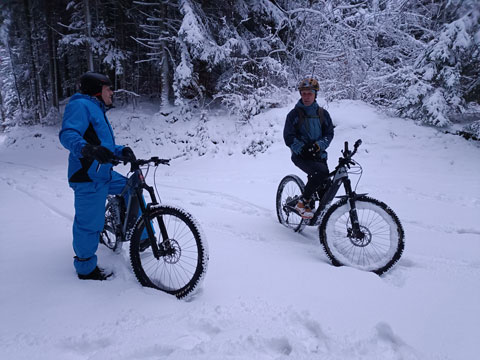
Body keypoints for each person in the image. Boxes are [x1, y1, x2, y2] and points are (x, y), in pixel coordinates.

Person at [59, 72, 137, 280]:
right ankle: (85, 268)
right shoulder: (80, 106)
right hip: (87, 175)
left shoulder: (97, 109)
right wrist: (88, 150)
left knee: (132, 186)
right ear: (97, 89)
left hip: (103, 173)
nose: (112, 92)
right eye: (108, 88)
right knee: (89, 223)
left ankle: (141, 238)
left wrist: (121, 150)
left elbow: (103, 145)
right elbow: (68, 134)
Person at [283, 77, 335, 219]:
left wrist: (318, 145)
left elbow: (329, 134)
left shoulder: (323, 114)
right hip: (301, 156)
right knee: (320, 173)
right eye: (303, 93)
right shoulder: (294, 114)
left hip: (319, 155)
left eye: (309, 93)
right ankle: (302, 203)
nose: (306, 96)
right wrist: (303, 148)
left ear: (315, 94)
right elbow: (288, 136)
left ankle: (323, 219)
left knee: (326, 186)